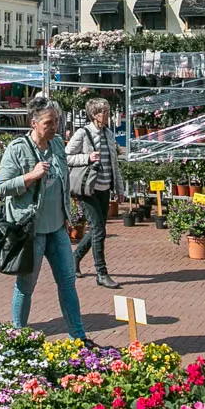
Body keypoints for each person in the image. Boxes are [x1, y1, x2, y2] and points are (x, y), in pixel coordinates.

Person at [0, 102, 87, 340]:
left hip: (57, 228)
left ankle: (78, 337)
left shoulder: (57, 144)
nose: (54, 127)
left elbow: (63, 183)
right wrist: (30, 176)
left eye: (56, 122)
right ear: (34, 123)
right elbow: (2, 187)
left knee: (68, 282)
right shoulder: (17, 149)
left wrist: (66, 215)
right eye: (48, 123)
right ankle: (18, 335)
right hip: (31, 229)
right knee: (26, 285)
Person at [66, 97, 124, 290]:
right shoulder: (83, 133)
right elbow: (66, 156)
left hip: (104, 188)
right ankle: (101, 273)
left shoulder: (109, 134)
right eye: (102, 112)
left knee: (98, 230)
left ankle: (74, 258)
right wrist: (87, 157)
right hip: (87, 189)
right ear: (93, 114)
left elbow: (114, 164)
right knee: (98, 230)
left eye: (107, 111)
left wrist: (120, 189)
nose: (106, 115)